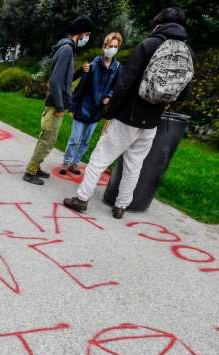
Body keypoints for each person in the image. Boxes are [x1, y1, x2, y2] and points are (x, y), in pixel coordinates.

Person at [63, 7, 193, 219]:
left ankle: (82, 198)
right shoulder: (186, 52)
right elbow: (184, 90)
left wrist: (110, 112)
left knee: (99, 158)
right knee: (135, 164)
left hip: (128, 116)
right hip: (152, 121)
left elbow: (124, 83)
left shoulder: (149, 45)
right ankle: (121, 206)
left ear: (159, 23)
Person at [22, 15, 93, 185]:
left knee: (48, 139)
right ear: (81, 33)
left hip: (56, 103)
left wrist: (78, 73)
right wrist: (61, 106)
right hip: (55, 105)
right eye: (87, 34)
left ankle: (36, 166)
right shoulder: (67, 49)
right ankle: (30, 171)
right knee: (47, 140)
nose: (87, 38)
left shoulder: (66, 47)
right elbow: (55, 81)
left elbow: (63, 79)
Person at [60, 32, 123, 176]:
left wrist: (109, 96)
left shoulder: (118, 68)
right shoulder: (93, 65)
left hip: (97, 110)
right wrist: (73, 106)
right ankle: (66, 161)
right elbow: (80, 88)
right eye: (110, 46)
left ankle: (75, 163)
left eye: (115, 46)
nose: (112, 49)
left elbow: (116, 86)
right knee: (75, 138)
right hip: (83, 107)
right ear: (104, 46)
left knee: (85, 141)